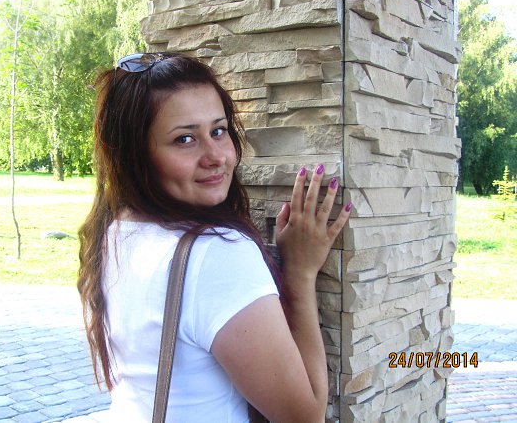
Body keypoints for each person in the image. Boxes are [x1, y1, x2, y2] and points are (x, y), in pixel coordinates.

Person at [78, 52, 352, 423]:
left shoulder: (114, 232)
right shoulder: (216, 254)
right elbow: (305, 417)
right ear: (135, 156)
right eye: (184, 139)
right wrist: (300, 276)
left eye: (218, 131)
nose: (216, 156)